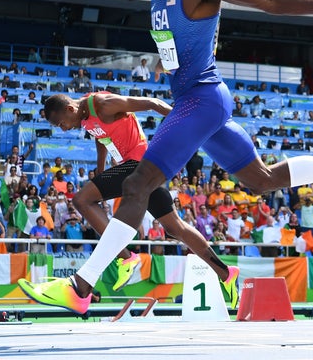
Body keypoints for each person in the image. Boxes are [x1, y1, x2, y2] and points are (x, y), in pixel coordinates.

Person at [18, 0, 313, 316]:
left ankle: (80, 287)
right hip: (195, 102)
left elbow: (268, 0)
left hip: (202, 99)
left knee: (137, 183)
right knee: (261, 180)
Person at [19, 92, 242, 304]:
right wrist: (100, 169)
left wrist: (186, 124)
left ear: (70, 108)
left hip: (139, 164)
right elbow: (101, 137)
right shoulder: (85, 118)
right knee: (175, 228)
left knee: (81, 200)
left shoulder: (103, 104)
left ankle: (126, 257)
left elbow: (152, 103)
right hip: (137, 169)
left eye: (61, 124)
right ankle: (226, 273)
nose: (64, 129)